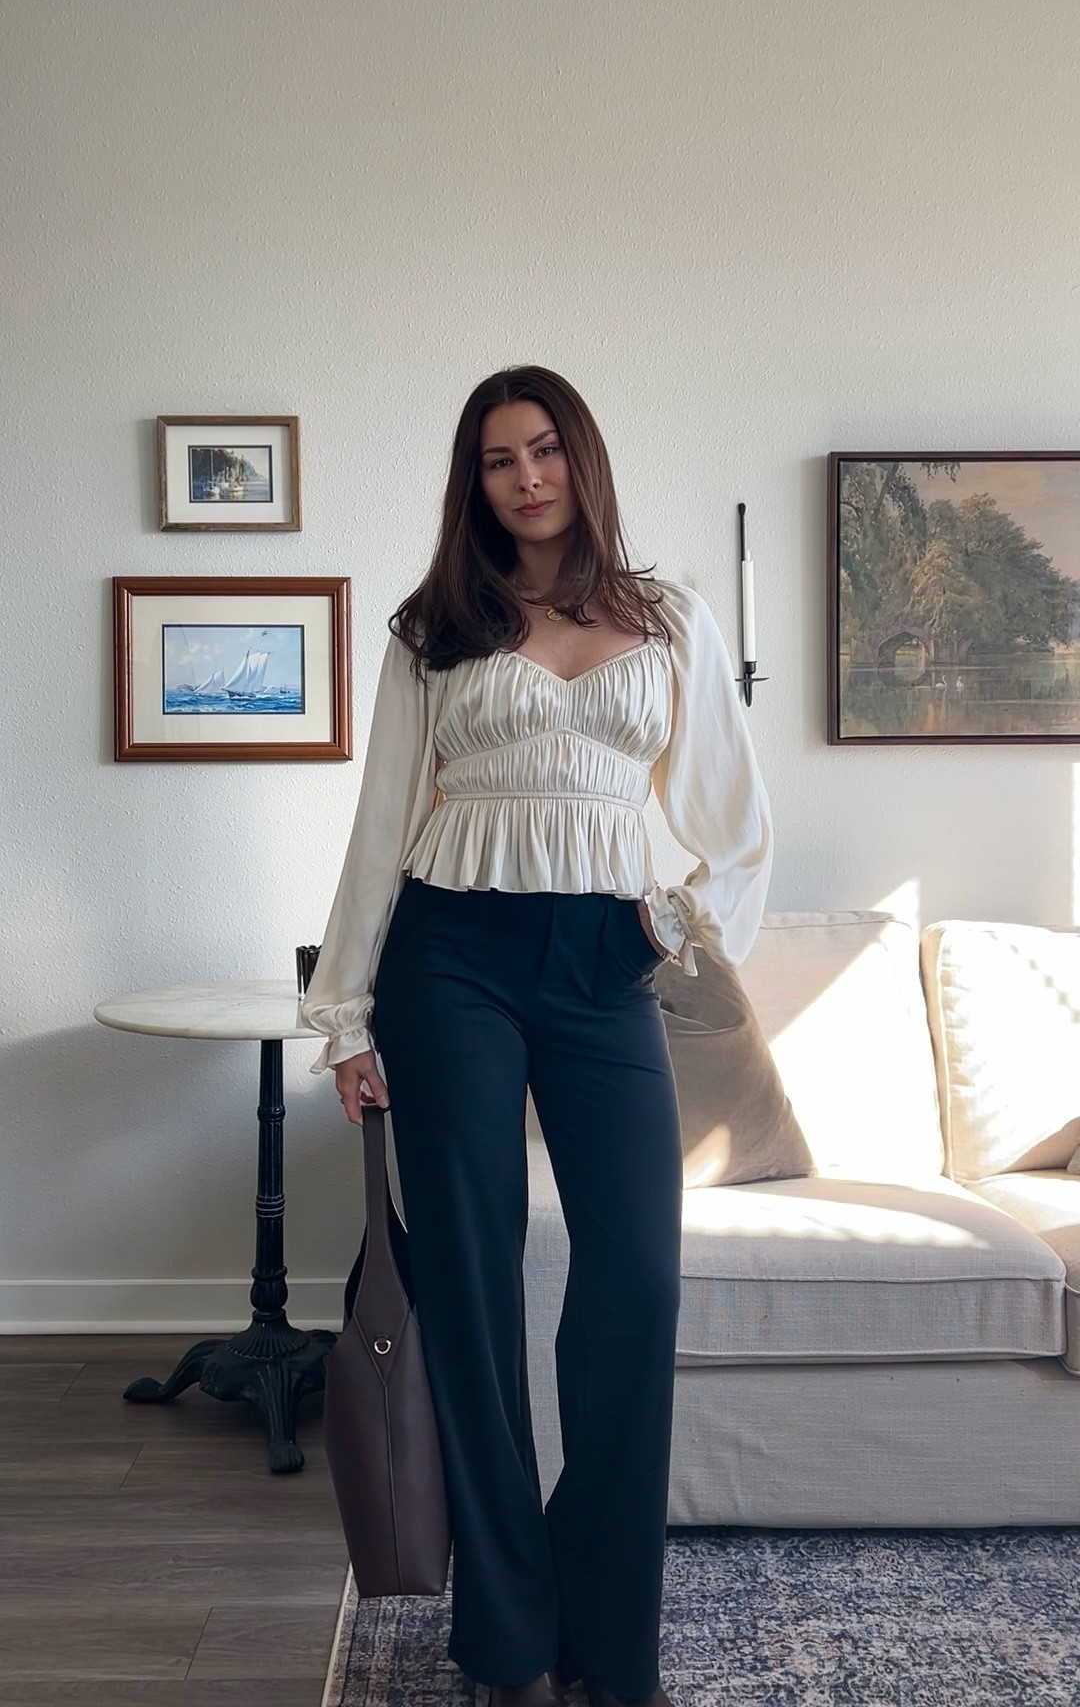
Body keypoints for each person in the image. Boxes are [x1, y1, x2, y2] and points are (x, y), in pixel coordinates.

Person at [302, 366, 773, 1707]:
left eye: (546, 450)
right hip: (449, 958)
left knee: (635, 1280)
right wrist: (344, 1015)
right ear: (476, 483)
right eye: (499, 459)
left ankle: (607, 1639)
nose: (526, 478)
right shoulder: (436, 629)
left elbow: (738, 829)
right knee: (470, 1289)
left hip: (601, 963)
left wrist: (660, 929)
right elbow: (382, 825)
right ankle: (507, 1636)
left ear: (584, 460)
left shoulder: (670, 619)